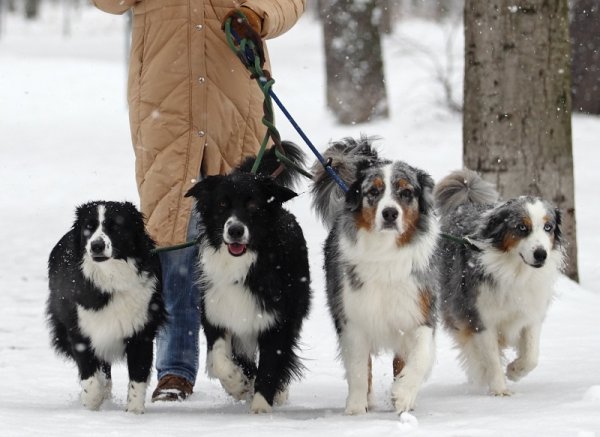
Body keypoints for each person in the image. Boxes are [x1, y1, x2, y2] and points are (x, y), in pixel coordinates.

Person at [92, 0, 306, 402]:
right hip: (165, 109)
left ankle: (250, 364)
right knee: (172, 242)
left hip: (234, 107)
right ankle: (175, 370)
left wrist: (257, 16)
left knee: (247, 249)